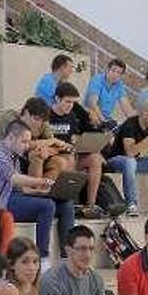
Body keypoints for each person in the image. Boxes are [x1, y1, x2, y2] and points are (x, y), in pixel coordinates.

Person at [0, 120, 73, 265]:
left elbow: (22, 188)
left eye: (28, 142)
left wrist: (42, 191)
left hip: (14, 196)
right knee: (46, 206)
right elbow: (15, 179)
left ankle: (67, 258)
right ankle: (42, 258)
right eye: (23, 142)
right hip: (0, 202)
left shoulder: (13, 156)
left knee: (65, 204)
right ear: (11, 137)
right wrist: (43, 182)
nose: (26, 146)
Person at [48, 82, 107, 219]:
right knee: (67, 159)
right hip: (53, 158)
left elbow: (73, 138)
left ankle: (90, 204)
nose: (70, 106)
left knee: (95, 159)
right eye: (67, 102)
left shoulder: (72, 117)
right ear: (57, 99)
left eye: (73, 103)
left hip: (71, 155)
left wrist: (83, 146)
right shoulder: (47, 116)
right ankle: (67, 202)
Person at [0, 98, 74, 181]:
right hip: (7, 157)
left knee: (60, 161)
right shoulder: (9, 118)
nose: (38, 123)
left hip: (26, 157)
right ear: (26, 113)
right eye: (36, 119)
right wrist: (49, 142)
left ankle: (45, 189)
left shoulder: (42, 121)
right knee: (37, 155)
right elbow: (20, 144)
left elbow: (53, 143)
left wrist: (49, 148)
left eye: (42, 121)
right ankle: (34, 188)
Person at [84, 58, 135, 128]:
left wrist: (137, 121)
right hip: (90, 114)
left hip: (106, 118)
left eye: (119, 73)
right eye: (113, 70)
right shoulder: (97, 80)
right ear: (107, 70)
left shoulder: (119, 85)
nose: (115, 74)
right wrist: (104, 121)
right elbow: (92, 103)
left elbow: (127, 108)